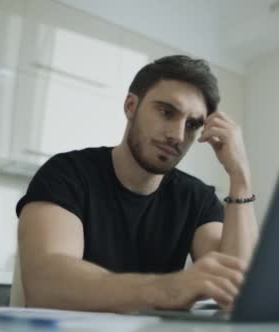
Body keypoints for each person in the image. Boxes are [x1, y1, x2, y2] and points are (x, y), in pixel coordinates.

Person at [15, 55, 258, 312]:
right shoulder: (67, 174)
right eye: (166, 112)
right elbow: (46, 283)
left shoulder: (196, 197)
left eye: (192, 124)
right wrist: (170, 289)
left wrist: (240, 177)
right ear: (131, 106)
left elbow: (237, 292)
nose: (177, 135)